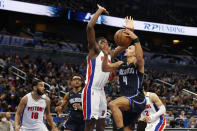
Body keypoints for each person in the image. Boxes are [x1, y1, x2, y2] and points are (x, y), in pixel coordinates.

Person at [82, 4, 129, 131]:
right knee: (90, 123)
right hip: (91, 90)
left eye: (107, 43)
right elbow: (89, 27)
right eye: (102, 42)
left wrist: (129, 32)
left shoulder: (109, 55)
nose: (105, 44)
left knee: (102, 124)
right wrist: (100, 11)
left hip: (101, 91)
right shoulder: (94, 51)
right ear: (96, 44)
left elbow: (124, 45)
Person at [102, 17, 146, 131]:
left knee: (112, 104)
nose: (127, 48)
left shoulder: (137, 63)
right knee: (123, 126)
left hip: (137, 98)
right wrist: (107, 55)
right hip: (126, 98)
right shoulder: (121, 63)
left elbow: (140, 57)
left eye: (130, 48)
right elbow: (105, 68)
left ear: (135, 53)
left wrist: (135, 38)